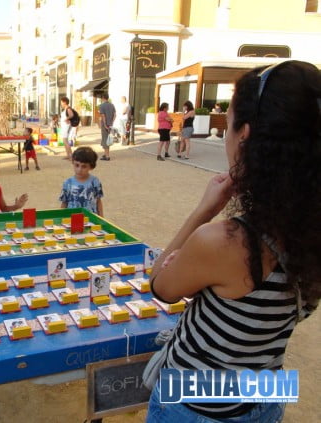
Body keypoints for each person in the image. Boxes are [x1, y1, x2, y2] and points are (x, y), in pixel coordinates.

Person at [146, 61, 320, 422]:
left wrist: (203, 212)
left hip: (198, 403)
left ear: (245, 136)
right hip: (268, 392)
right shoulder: (310, 231)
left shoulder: (225, 242)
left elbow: (161, 284)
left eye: (227, 125)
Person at [59, 146, 104, 216]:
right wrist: (61, 218)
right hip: (71, 220)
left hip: (91, 220)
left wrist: (102, 218)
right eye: (77, 165)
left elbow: (98, 201)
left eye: (84, 166)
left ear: (91, 167)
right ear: (73, 163)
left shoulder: (95, 182)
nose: (79, 169)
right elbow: (64, 203)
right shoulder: (68, 183)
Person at [98, 93, 116, 161]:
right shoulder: (112, 105)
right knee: (107, 139)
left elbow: (103, 116)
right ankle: (105, 154)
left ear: (103, 98)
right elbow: (115, 115)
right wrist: (112, 122)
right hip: (110, 124)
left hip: (105, 125)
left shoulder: (101, 106)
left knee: (105, 139)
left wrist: (105, 125)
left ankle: (107, 156)